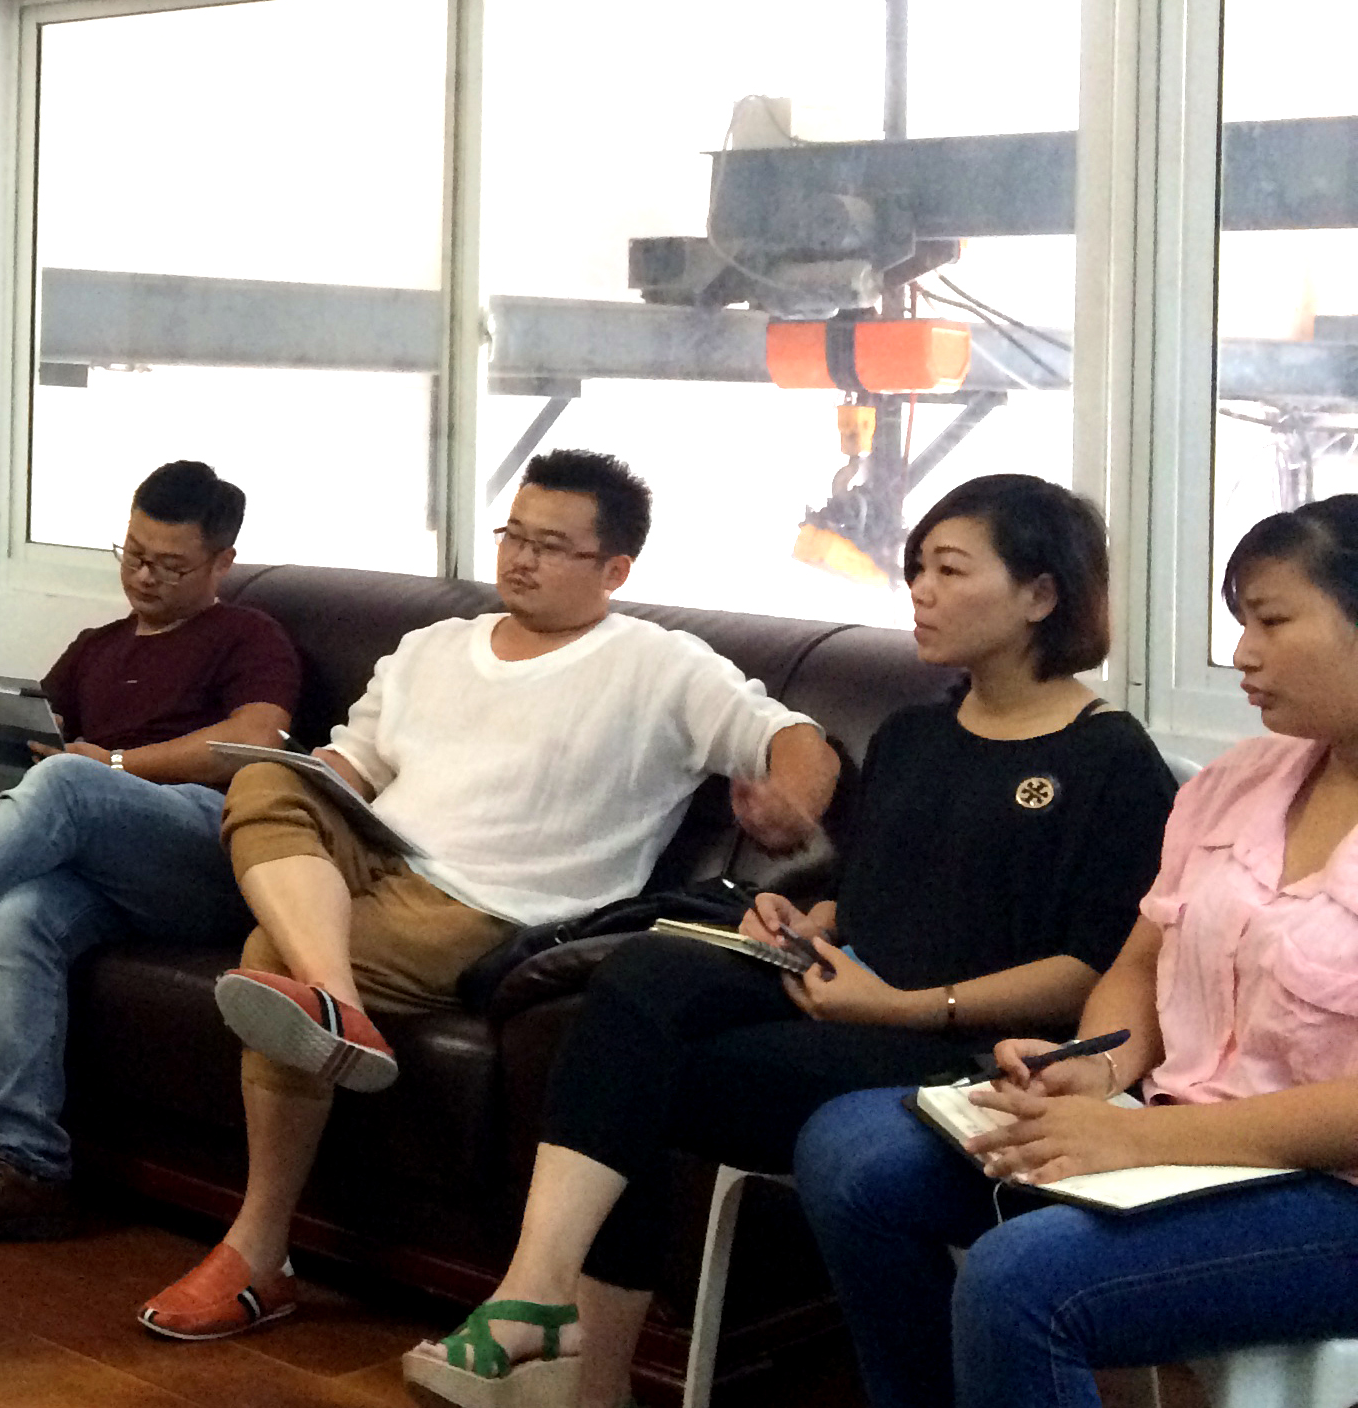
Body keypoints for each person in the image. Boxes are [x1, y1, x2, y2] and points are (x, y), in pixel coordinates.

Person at [400, 475, 1175, 1408]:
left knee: (631, 1079)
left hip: (964, 1046)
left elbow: (1092, 970)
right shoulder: (914, 733)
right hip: (845, 993)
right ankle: (541, 1300)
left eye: (949, 569)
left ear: (1041, 594)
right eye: (916, 568)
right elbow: (873, 887)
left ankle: (582, 1370)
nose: (920, 590)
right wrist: (808, 921)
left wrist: (905, 1006)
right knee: (639, 977)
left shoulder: (1111, 760)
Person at [138, 449, 842, 1343]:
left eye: (551, 545)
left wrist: (789, 801)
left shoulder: (659, 664)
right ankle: (336, 995)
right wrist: (302, 791)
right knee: (263, 779)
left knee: (268, 956)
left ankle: (259, 1247)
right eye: (514, 534)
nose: (521, 558)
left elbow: (798, 738)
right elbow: (352, 765)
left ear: (615, 569)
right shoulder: (432, 646)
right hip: (372, 850)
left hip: (492, 902)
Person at [794, 494, 1358, 1408]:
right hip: (1175, 1129)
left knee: (1023, 1281)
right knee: (853, 1154)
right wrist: (1096, 1068)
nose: (1244, 653)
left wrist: (1139, 1135)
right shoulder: (1241, 779)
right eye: (1240, 622)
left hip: (1330, 1189)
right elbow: (1142, 960)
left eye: (1273, 621)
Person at [0, 460, 304, 1246]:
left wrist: (113, 766)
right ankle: (26, 1167)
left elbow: (256, 740)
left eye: (170, 565)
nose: (144, 576)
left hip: (209, 850)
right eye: (134, 553)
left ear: (222, 562)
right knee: (22, 914)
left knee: (68, 782)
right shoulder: (97, 647)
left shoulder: (249, 635)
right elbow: (46, 740)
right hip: (108, 864)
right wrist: (18, 752)